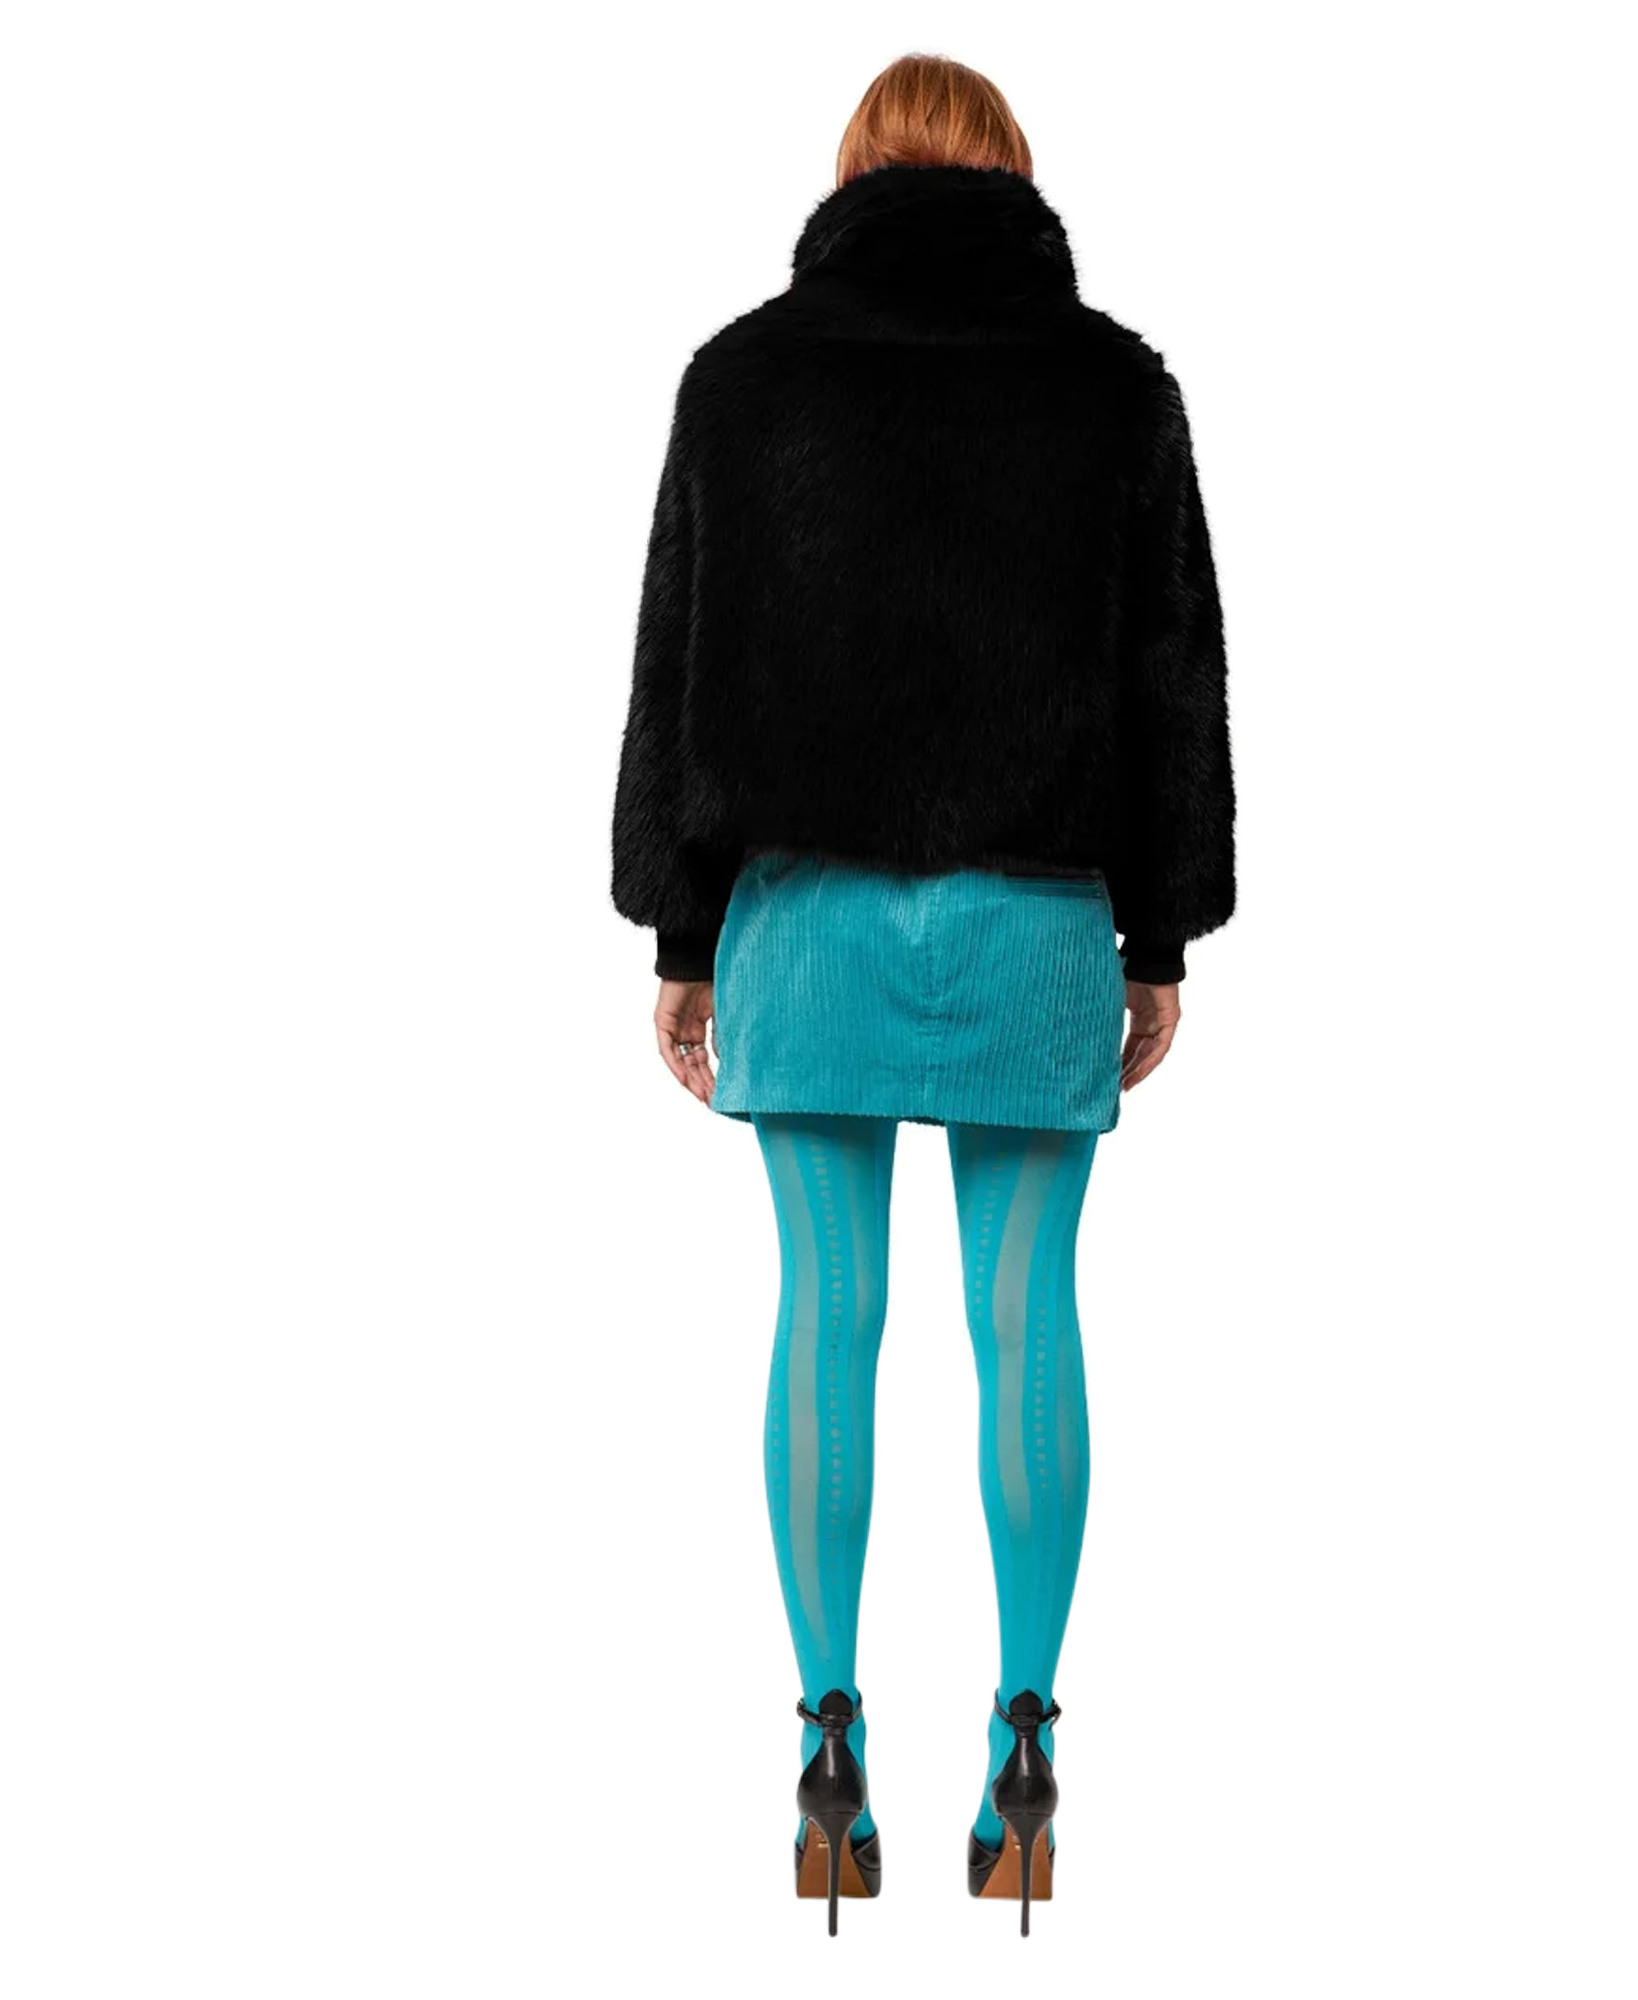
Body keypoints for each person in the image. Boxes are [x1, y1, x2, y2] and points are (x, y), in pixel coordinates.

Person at [610, 53, 1235, 1936]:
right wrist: (1160, 939)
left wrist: (682, 935)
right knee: (1027, 1315)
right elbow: (1173, 680)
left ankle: (827, 1749)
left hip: (804, 922)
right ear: (1016, 182)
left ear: (851, 181)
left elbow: (678, 671)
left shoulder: (744, 381)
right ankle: (1026, 1749)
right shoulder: (1115, 389)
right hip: (1033, 926)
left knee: (829, 1311)